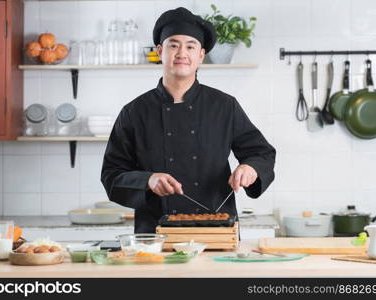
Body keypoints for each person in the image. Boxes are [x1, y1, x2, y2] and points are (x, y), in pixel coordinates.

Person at [101, 7, 276, 233]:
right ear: (160, 51)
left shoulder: (224, 106)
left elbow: (261, 153)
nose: (181, 53)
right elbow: (112, 174)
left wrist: (250, 168)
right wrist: (148, 180)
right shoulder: (134, 112)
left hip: (216, 230)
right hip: (155, 234)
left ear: (200, 55)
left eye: (190, 46)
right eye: (173, 45)